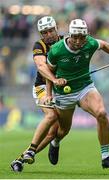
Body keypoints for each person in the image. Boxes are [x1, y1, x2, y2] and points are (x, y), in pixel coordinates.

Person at [45, 19, 109, 171]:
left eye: (82, 37)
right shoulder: (56, 50)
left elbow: (104, 45)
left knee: (102, 113)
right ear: (70, 34)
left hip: (85, 86)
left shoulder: (89, 43)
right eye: (75, 36)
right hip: (64, 93)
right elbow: (48, 73)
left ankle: (105, 157)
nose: (78, 41)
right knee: (64, 130)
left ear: (87, 35)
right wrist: (49, 94)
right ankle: (55, 142)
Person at [10, 16, 66, 172]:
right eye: (44, 32)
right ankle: (31, 149)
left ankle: (21, 159)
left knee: (54, 132)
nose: (47, 34)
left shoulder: (66, 42)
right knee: (51, 116)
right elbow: (42, 66)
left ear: (56, 29)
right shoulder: (39, 45)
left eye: (50, 31)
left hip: (61, 88)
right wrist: (54, 80)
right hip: (42, 86)